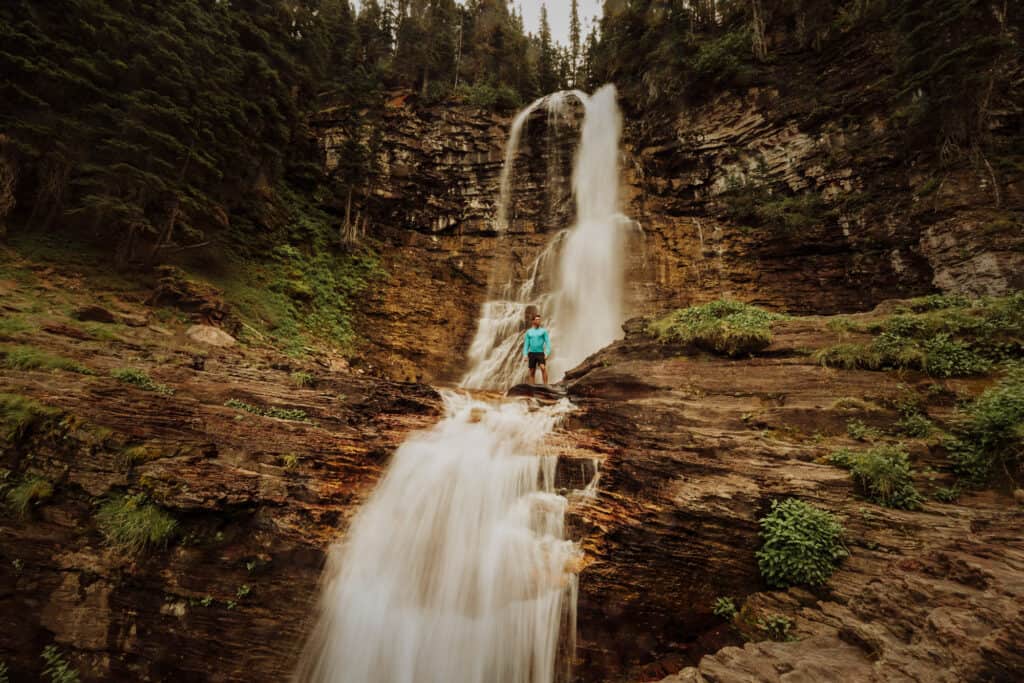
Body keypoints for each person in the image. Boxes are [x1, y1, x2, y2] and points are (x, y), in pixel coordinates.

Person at [523, 314, 551, 385]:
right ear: (533, 321)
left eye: (539, 319)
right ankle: (532, 386)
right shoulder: (529, 332)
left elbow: (548, 343)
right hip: (531, 353)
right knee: (532, 371)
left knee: (543, 368)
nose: (539, 321)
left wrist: (547, 353)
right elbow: (526, 345)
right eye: (537, 319)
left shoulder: (543, 331)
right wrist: (525, 355)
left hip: (540, 353)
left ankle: (545, 385)